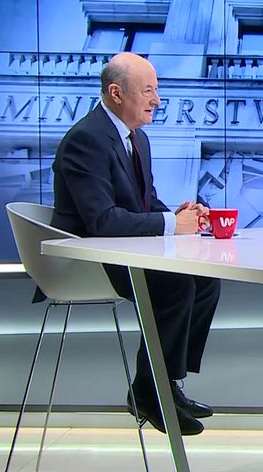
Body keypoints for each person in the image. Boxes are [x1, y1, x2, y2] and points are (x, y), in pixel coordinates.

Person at [50, 52, 219, 436]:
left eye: (156, 90)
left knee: (206, 279)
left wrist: (180, 217)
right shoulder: (86, 140)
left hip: (121, 253)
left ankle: (164, 384)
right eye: (147, 91)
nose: (157, 100)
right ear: (116, 93)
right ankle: (151, 391)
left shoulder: (137, 138)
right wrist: (170, 225)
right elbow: (102, 222)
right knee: (176, 284)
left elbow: (144, 204)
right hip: (86, 260)